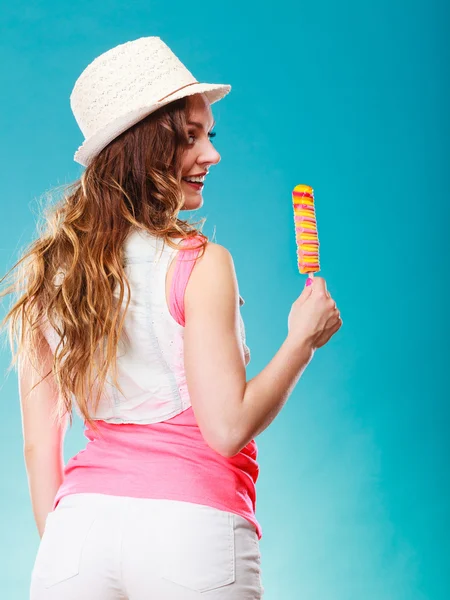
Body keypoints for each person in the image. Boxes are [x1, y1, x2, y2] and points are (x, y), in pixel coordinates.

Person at [0, 37, 342, 599]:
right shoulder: (201, 265)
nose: (213, 154)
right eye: (191, 137)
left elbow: (40, 446)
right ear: (142, 149)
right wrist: (301, 342)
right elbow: (227, 429)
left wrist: (71, 554)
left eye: (209, 134)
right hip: (191, 533)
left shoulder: (49, 271)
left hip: (77, 535)